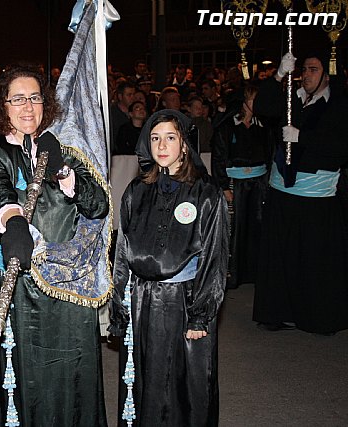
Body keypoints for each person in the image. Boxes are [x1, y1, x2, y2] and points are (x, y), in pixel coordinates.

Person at [0, 64, 109, 426]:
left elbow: (98, 205)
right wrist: (12, 220)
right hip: (22, 283)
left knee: (71, 369)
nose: (28, 107)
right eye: (18, 99)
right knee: (27, 375)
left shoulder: (62, 145)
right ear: (3, 105)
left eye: (34, 98)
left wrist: (63, 172)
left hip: (71, 284)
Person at [110, 110, 228, 426]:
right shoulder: (136, 190)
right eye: (155, 138)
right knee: (144, 379)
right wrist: (119, 304)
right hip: (142, 299)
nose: (162, 146)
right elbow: (122, 250)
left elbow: (214, 257)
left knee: (183, 384)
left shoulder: (206, 192)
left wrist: (200, 314)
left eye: (170, 137)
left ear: (184, 144)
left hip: (184, 300)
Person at [252, 52, 348, 334]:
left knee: (312, 259)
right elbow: (262, 107)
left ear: (327, 75)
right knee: (280, 256)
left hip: (315, 198)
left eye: (313, 70)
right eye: (304, 69)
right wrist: (278, 75)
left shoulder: (338, 105)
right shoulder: (291, 99)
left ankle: (316, 317)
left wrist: (301, 137)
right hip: (282, 191)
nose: (306, 74)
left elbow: (340, 147)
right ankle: (277, 312)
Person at [212, 84, 272, 289]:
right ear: (245, 101)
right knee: (234, 229)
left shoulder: (262, 126)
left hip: (259, 183)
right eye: (255, 99)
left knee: (257, 227)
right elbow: (219, 157)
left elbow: (269, 155)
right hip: (235, 183)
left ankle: (254, 273)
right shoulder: (227, 126)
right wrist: (223, 186)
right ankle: (232, 274)